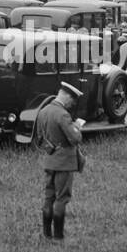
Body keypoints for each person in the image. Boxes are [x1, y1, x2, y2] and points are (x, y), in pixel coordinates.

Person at [34, 81, 84, 241]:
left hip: (49, 160)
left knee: (49, 197)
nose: (72, 104)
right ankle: (58, 237)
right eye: (72, 100)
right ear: (67, 97)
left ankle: (47, 234)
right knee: (62, 198)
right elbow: (75, 138)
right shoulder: (62, 114)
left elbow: (39, 138)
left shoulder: (43, 111)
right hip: (64, 162)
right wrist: (77, 127)